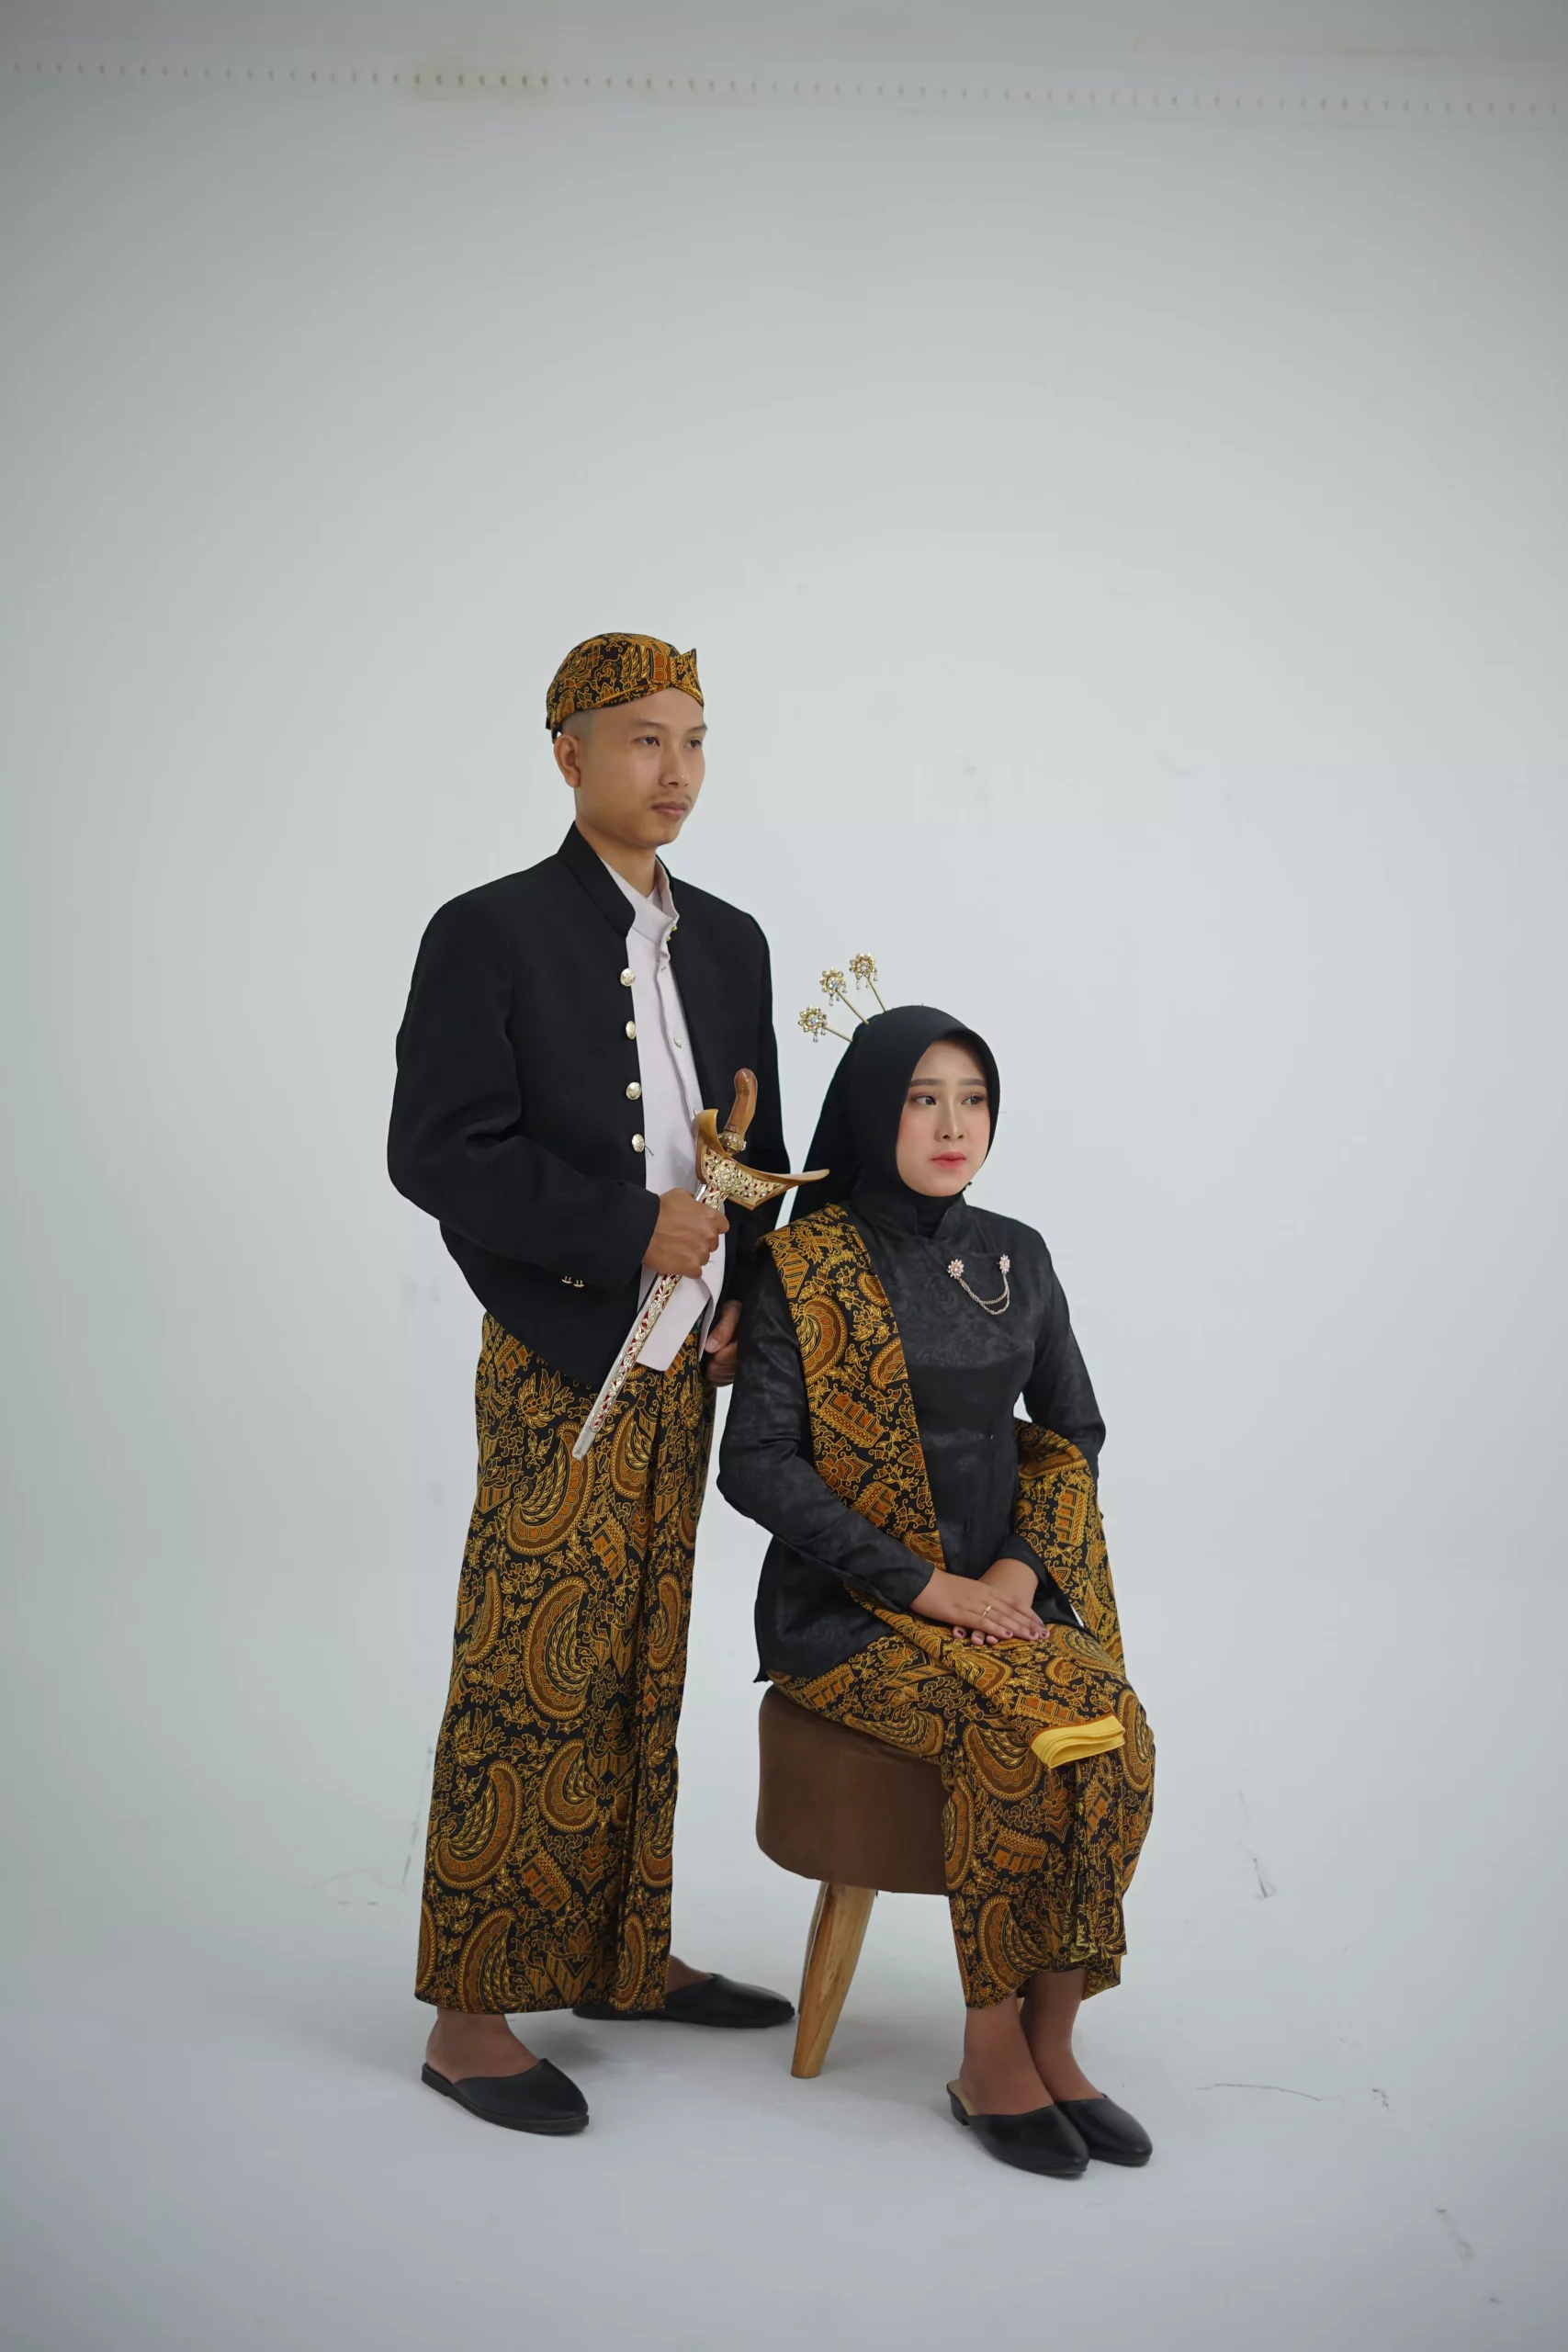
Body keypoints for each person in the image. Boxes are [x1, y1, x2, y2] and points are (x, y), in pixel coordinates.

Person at [389, 632, 795, 2137]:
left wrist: (748, 1300)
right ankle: (469, 2018)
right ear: (567, 755)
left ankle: (624, 1958)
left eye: (693, 739)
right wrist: (631, 1228)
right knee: (528, 1673)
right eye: (641, 738)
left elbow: (756, 1156)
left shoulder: (733, 941)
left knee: (640, 1667)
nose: (674, 769)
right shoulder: (486, 931)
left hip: (693, 1362)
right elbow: (438, 1150)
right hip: (561, 1358)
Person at [717, 1004, 1155, 2177]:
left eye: (973, 1098)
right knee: (1011, 1742)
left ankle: (1054, 2039)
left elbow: (1073, 1431)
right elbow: (755, 1464)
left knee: (1115, 1733)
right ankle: (987, 2051)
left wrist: (1013, 1572)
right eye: (923, 1099)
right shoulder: (805, 1265)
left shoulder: (1019, 1254)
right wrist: (923, 1584)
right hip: (846, 1611)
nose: (954, 1124)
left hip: (1003, 1597)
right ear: (875, 1112)